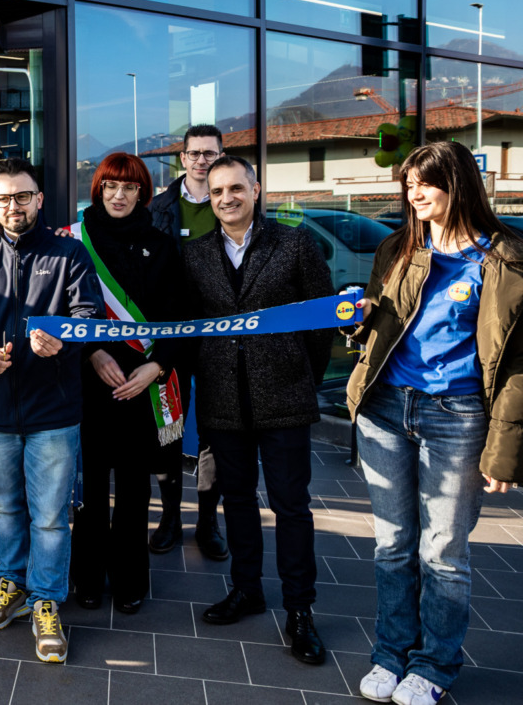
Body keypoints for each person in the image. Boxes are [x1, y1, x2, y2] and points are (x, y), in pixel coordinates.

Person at [345, 141, 523, 705]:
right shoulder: (399, 248)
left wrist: (506, 452)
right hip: (386, 410)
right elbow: (375, 323)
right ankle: (390, 655)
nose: (412, 193)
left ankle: (435, 666)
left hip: (460, 416)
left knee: (443, 552)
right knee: (393, 544)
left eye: (424, 183)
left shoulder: (506, 258)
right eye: (408, 184)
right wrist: (358, 318)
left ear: (459, 183)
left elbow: (518, 364)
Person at [0, 157, 102, 664]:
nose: (13, 206)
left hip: (54, 413)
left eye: (22, 196)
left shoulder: (70, 255)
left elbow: (88, 316)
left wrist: (61, 339)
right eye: (3, 198)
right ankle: (11, 585)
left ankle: (46, 602)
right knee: (8, 509)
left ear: (39, 200)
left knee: (53, 517)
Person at [182, 155, 332, 665]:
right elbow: (191, 323)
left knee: (291, 506)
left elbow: (320, 318)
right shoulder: (196, 254)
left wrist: (300, 375)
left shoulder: (294, 244)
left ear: (256, 189)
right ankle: (246, 590)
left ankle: (299, 611)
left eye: (236, 189)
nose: (226, 198)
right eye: (217, 190)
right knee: (238, 501)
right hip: (223, 399)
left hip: (285, 396)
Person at [69, 153, 188, 615]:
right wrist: (90, 353)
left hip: (142, 385)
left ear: (143, 193)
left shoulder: (160, 246)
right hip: (90, 385)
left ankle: (130, 580)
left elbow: (180, 319)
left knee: (136, 490)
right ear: (97, 189)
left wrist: (155, 368)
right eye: (110, 186)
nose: (119, 196)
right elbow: (62, 312)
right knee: (91, 490)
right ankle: (88, 577)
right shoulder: (75, 241)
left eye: (130, 187)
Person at [146, 124, 228, 560]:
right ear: (182, 158)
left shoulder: (232, 202)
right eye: (194, 153)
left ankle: (209, 522)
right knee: (169, 424)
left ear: (221, 155)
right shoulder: (158, 207)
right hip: (171, 334)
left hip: (217, 334)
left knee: (214, 427)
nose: (201, 160)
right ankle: (170, 517)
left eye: (209, 153)